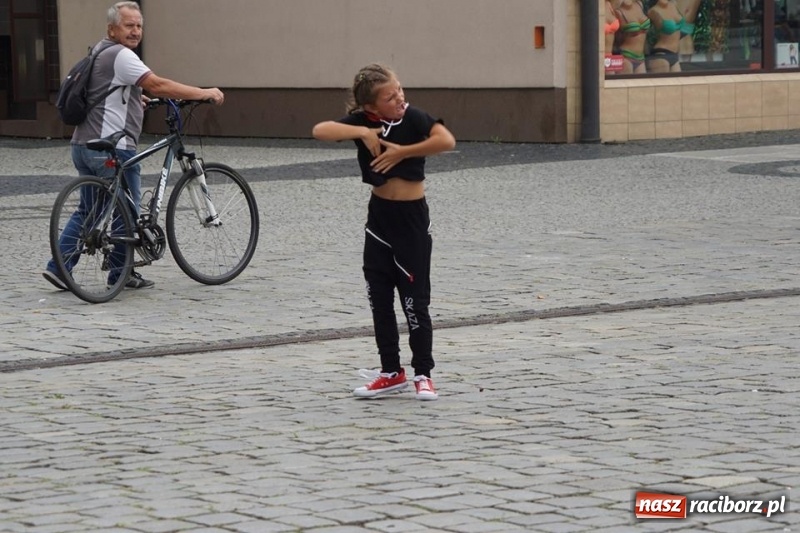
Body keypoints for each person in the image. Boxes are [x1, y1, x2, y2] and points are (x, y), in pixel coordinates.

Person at [43, 1, 224, 291]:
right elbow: (158, 84)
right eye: (129, 25)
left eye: (139, 25)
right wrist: (202, 93)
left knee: (89, 211)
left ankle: (59, 267)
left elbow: (105, 90)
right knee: (125, 213)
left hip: (83, 144)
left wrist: (133, 98)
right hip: (113, 148)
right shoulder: (121, 55)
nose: (135, 31)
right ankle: (121, 274)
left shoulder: (100, 51)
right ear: (112, 29)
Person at [311, 64, 456, 401]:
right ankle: (391, 371)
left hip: (412, 222)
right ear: (371, 108)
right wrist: (361, 133)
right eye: (390, 97)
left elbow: (445, 140)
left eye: (400, 90)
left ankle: (423, 373)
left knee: (414, 303)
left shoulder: (414, 118)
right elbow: (320, 130)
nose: (400, 98)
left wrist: (403, 152)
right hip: (379, 221)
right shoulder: (365, 122)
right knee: (380, 300)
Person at [646, 0, 685, 73]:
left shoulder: (674, 4)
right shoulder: (653, 11)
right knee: (662, 83)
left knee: (679, 83)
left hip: (674, 54)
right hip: (661, 54)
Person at [616, 0, 651, 74]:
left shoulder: (639, 4)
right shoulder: (618, 11)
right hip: (626, 56)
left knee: (641, 84)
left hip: (641, 57)